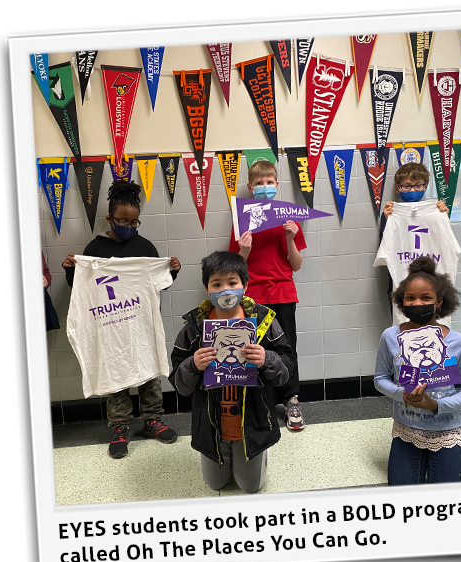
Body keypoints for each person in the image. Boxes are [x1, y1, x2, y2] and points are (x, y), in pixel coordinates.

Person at [62, 179, 182, 459]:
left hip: (141, 325)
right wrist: (72, 270)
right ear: (110, 218)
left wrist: (171, 270)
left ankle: (152, 420)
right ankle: (119, 427)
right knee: (116, 374)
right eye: (123, 221)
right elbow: (81, 287)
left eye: (134, 222)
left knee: (149, 369)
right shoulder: (94, 250)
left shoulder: (146, 249)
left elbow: (159, 283)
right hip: (110, 327)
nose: (129, 226)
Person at [169, 250, 293, 493]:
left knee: (250, 487)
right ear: (207, 289)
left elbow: (286, 369)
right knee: (215, 483)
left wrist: (266, 359)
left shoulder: (264, 321)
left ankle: (257, 455)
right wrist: (193, 364)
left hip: (253, 422)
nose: (225, 290)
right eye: (217, 284)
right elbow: (178, 383)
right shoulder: (195, 327)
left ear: (245, 285)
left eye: (232, 282)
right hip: (212, 425)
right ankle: (224, 454)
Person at [373, 255, 461, 485]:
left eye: (426, 298)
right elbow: (380, 378)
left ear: (439, 302)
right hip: (407, 428)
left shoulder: (457, 342)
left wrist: (435, 405)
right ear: (401, 301)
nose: (417, 303)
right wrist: (402, 394)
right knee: (401, 491)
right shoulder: (391, 337)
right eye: (410, 298)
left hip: (447, 430)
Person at [229, 159, 307, 432]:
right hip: (253, 295)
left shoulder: (288, 216)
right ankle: (264, 401)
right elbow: (236, 267)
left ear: (277, 184)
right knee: (254, 350)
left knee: (287, 348)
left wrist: (289, 238)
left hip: (284, 292)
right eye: (259, 184)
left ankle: (292, 400)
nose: (264, 187)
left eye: (269, 182)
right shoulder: (242, 217)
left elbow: (296, 265)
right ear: (250, 187)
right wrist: (245, 250)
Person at [380, 162, 450, 316]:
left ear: (425, 187)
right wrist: (387, 219)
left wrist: (443, 217)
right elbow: (384, 246)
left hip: (431, 280)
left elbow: (445, 243)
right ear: (398, 188)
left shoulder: (437, 212)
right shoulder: (391, 214)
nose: (412, 190)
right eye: (407, 185)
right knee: (403, 324)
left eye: (418, 185)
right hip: (401, 278)